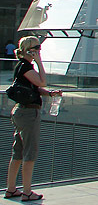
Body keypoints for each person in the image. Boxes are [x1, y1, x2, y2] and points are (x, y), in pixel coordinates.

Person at [5, 36, 62, 202]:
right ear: (30, 50)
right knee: (30, 152)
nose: (39, 51)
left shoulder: (22, 66)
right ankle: (27, 191)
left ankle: (11, 189)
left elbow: (33, 87)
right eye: (37, 48)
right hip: (28, 114)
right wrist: (39, 62)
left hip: (21, 112)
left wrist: (49, 94)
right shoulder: (25, 66)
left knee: (19, 151)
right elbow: (42, 81)